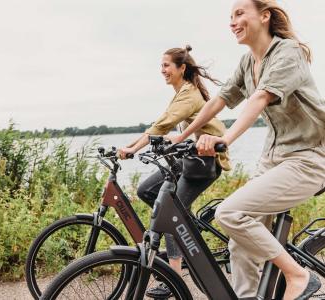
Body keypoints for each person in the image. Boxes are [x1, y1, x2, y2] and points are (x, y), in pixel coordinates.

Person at [168, 0, 325, 299]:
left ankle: (298, 276)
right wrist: (183, 136)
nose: (233, 21)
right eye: (230, 16)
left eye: (240, 13)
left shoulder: (288, 52)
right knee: (239, 244)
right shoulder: (247, 61)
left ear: (264, 16)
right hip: (273, 159)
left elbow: (260, 98)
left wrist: (224, 139)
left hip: (308, 157)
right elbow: (220, 100)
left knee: (229, 213)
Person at [119, 45, 231, 298]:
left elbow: (162, 125)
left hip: (204, 162)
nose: (163, 70)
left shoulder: (189, 94)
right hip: (190, 159)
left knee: (172, 211)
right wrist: (134, 147)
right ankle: (187, 234)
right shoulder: (182, 93)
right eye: (161, 66)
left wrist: (132, 148)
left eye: (167, 65)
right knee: (146, 190)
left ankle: (174, 278)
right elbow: (161, 125)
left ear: (182, 68)